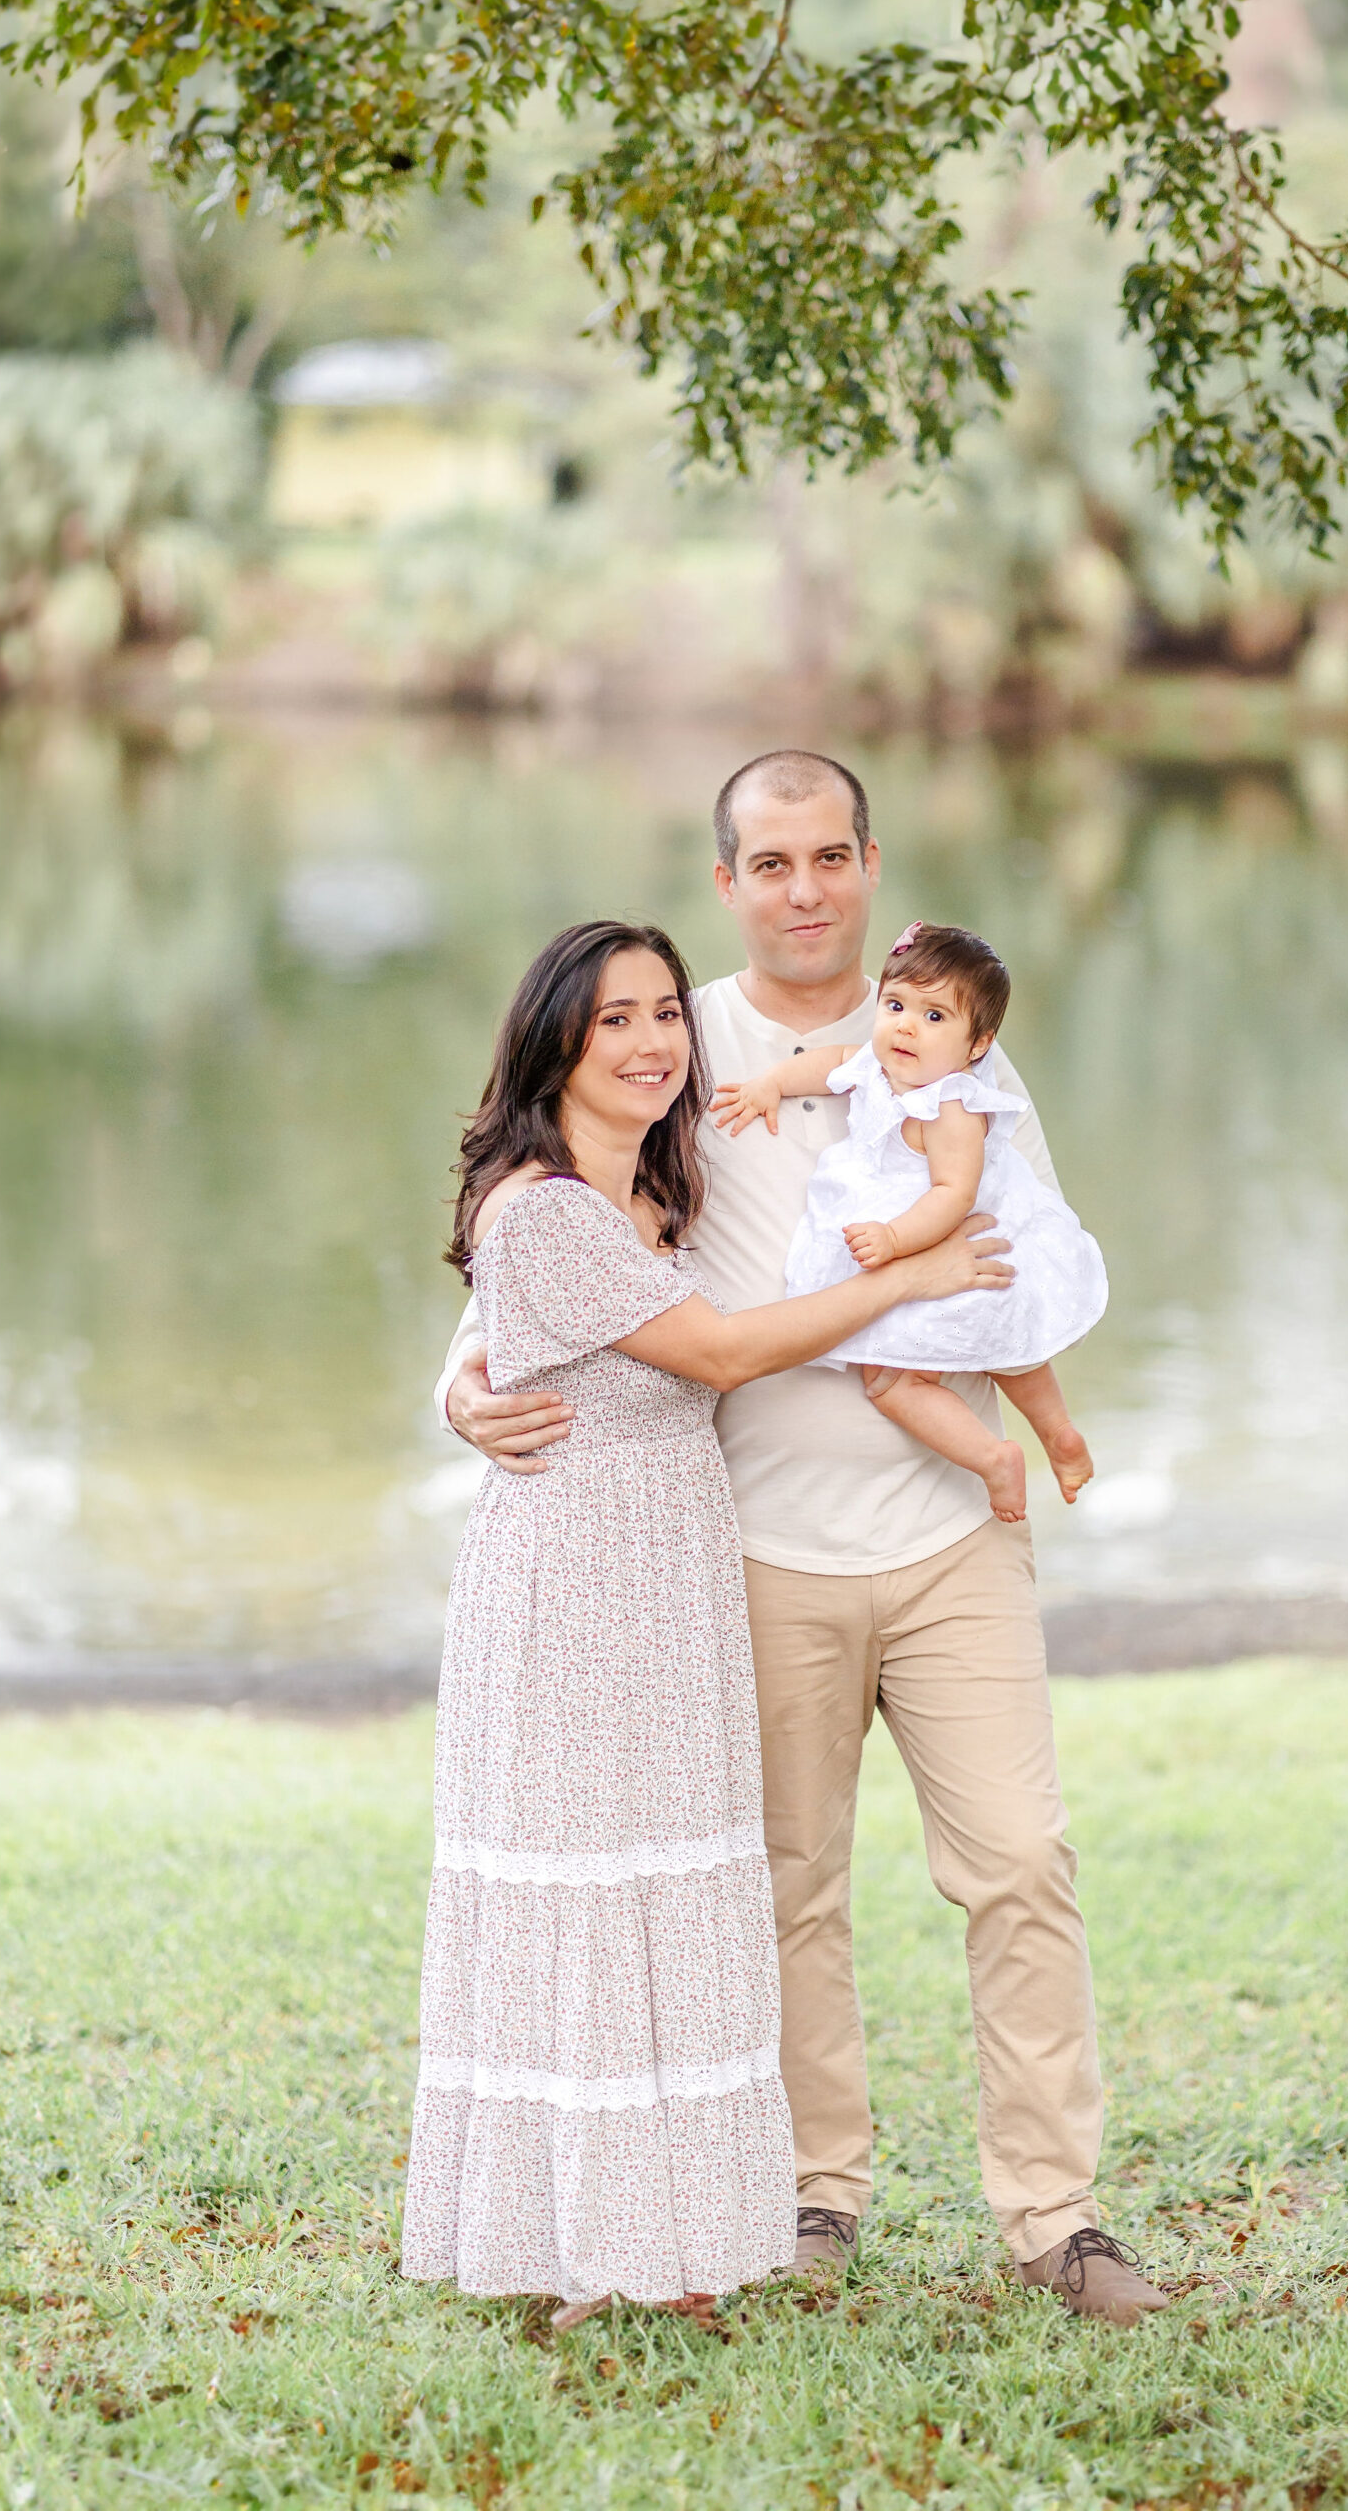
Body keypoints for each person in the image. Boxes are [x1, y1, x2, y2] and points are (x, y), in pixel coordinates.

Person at [440, 756, 1169, 2326]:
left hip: (949, 1535)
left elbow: (1015, 1258)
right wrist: (459, 1382)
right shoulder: (664, 1038)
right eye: (768, 863)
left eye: (829, 856)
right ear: (727, 882)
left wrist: (1023, 1420)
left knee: (1021, 1867)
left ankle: (1053, 2217)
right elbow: (544, 1236)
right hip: (751, 1549)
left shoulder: (955, 1047)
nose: (804, 889)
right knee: (786, 1888)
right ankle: (812, 2192)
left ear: (867, 862)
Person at [401, 917, 1013, 2326]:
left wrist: (457, 1385)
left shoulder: (646, 1196)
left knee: (670, 1900)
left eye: (665, 1014)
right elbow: (723, 1353)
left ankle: (661, 2247)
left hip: (671, 1584)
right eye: (612, 1017)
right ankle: (582, 2256)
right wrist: (906, 1279)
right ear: (554, 1034)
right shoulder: (544, 1207)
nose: (648, 1042)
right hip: (575, 1593)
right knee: (594, 1908)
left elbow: (514, 1343)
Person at [711, 917, 1107, 1525]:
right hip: (928, 1248)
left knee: (901, 1381)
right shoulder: (878, 1067)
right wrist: (771, 1083)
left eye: (934, 1016)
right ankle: (1055, 1435)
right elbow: (829, 1062)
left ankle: (1001, 1456)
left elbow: (954, 1193)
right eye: (895, 1004)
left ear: (979, 1045)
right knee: (1007, 1348)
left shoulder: (950, 1103)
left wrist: (894, 1240)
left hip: (956, 1240)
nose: (906, 1026)